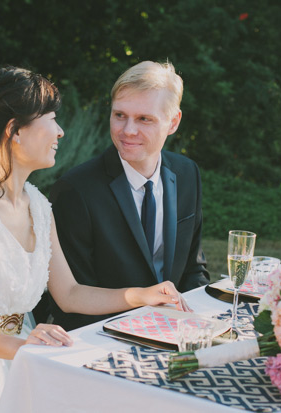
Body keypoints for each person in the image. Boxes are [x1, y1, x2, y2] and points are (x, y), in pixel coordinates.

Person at [0, 66, 189, 412]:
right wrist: (26, 349)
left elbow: (70, 294)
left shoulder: (38, 204)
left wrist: (140, 295)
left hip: (20, 353)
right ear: (16, 131)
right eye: (51, 119)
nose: (60, 131)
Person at [48, 61, 210, 331]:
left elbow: (194, 269)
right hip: (106, 340)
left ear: (173, 122)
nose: (127, 131)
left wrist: (195, 322)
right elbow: (70, 302)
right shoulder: (75, 190)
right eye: (120, 115)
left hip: (179, 332)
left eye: (144, 119)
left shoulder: (187, 173)